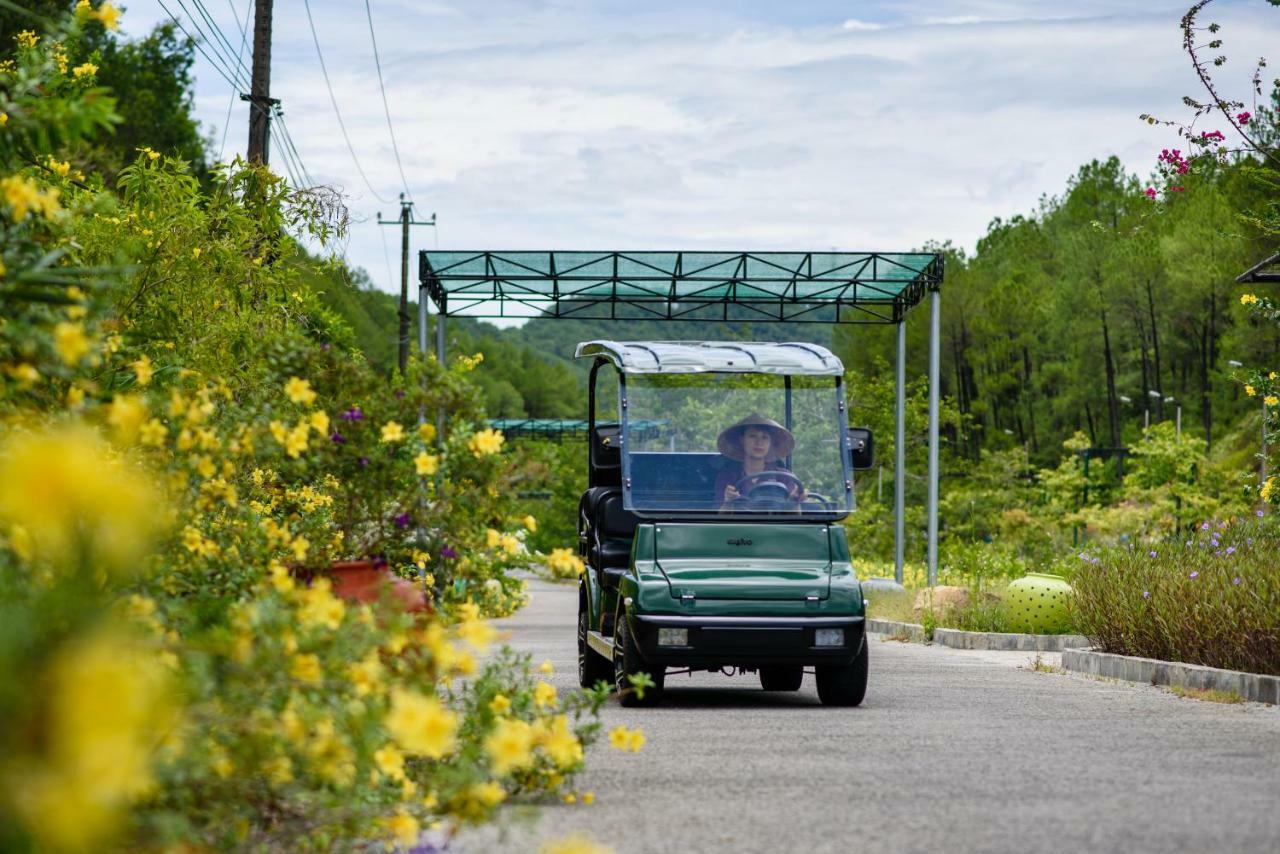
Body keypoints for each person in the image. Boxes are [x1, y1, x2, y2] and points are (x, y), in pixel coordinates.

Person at [714, 413, 801, 510]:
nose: (759, 442)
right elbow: (720, 519)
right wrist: (728, 501)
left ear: (770, 443)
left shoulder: (783, 477)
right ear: (742, 440)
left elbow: (794, 519)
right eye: (753, 436)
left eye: (765, 437)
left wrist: (795, 501)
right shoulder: (728, 476)